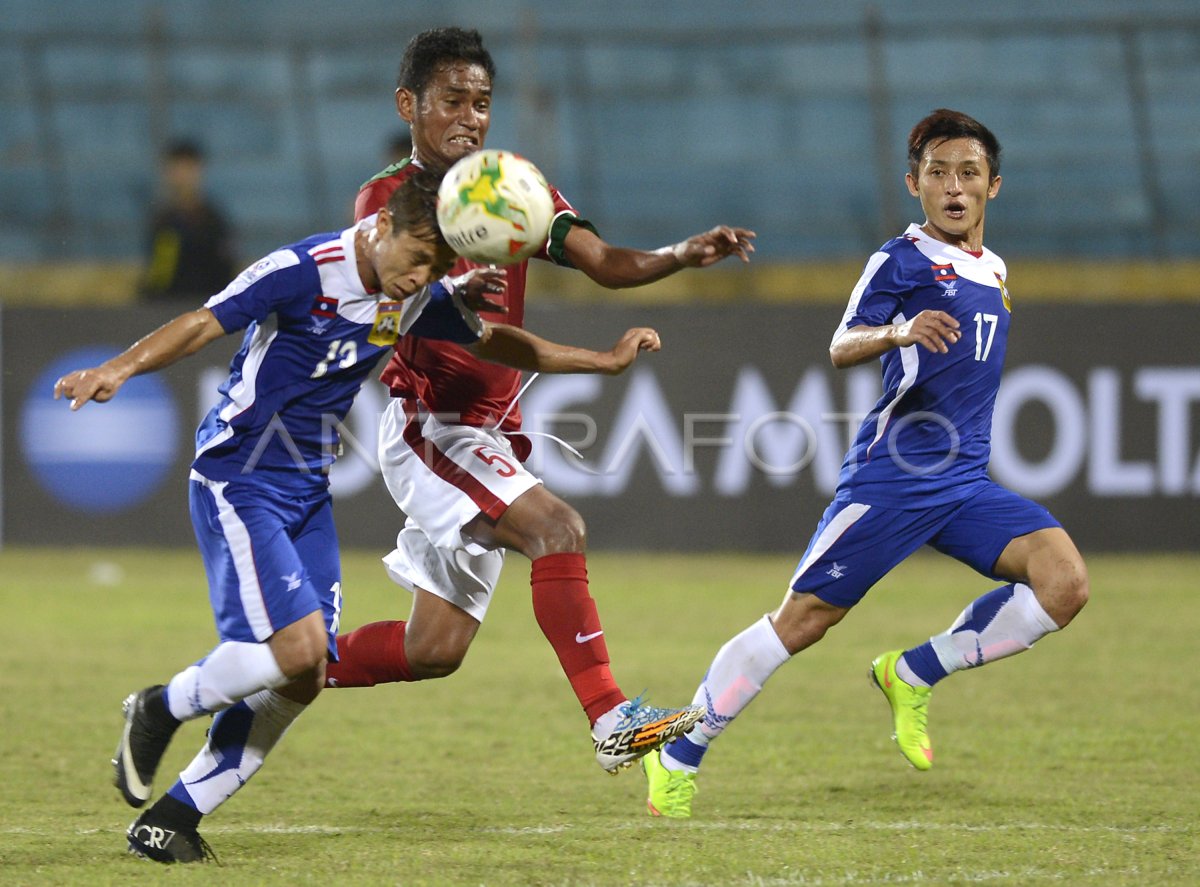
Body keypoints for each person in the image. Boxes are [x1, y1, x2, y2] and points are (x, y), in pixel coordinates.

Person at [55, 169, 668, 863]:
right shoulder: (302, 269)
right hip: (241, 478)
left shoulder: (412, 293)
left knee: (305, 674)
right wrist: (121, 368)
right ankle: (160, 706)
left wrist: (602, 361)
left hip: (306, 491)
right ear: (381, 229)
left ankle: (173, 817)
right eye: (414, 260)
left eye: (434, 269)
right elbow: (204, 321)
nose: (418, 279)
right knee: (295, 650)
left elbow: (495, 341)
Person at [324, 27, 756, 774]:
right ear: (409, 106)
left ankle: (281, 668)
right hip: (434, 425)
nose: (470, 116)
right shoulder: (387, 200)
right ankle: (613, 719)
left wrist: (679, 255)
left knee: (435, 649)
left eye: (482, 101)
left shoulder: (515, 187)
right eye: (452, 99)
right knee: (557, 528)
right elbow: (431, 322)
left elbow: (606, 262)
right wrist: (461, 299)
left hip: (490, 424)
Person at [640, 109, 1090, 818]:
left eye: (968, 173)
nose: (953, 186)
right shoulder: (901, 258)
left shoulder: (996, 270)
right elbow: (841, 344)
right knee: (802, 621)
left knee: (1063, 583)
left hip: (965, 484)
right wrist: (899, 329)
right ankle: (680, 747)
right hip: (896, 478)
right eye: (937, 172)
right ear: (914, 183)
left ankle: (913, 671)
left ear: (992, 186)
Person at [139, 138, 237, 302]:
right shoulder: (164, 222)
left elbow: (227, 270)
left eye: (188, 168)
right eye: (178, 168)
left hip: (210, 311)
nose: (183, 176)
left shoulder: (214, 220)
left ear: (199, 170)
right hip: (169, 309)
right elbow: (160, 274)